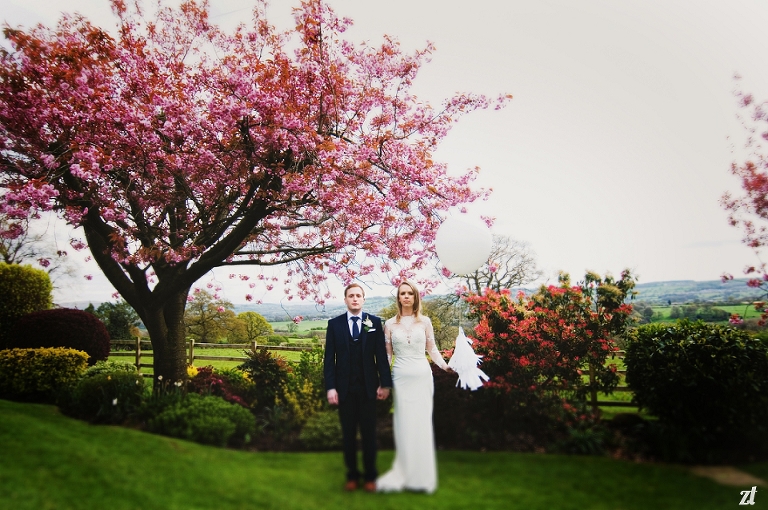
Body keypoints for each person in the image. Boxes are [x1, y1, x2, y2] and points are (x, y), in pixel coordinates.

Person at [376, 280, 452, 494]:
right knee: (404, 424)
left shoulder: (425, 322)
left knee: (422, 423)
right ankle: (405, 471)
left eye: (410, 293)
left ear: (415, 297)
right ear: (398, 298)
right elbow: (387, 356)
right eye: (403, 293)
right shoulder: (390, 324)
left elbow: (432, 349)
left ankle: (422, 475)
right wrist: (383, 381)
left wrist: (446, 366)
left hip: (422, 377)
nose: (406, 296)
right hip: (400, 377)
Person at [324, 283, 392, 492]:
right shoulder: (334, 324)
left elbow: (381, 357)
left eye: (358, 296)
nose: (355, 299)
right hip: (344, 391)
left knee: (369, 435)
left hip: (368, 389)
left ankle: (370, 476)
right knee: (348, 435)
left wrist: (385, 384)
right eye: (351, 295)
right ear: (345, 299)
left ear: (363, 299)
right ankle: (352, 476)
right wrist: (331, 387)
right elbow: (329, 360)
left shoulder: (373, 322)